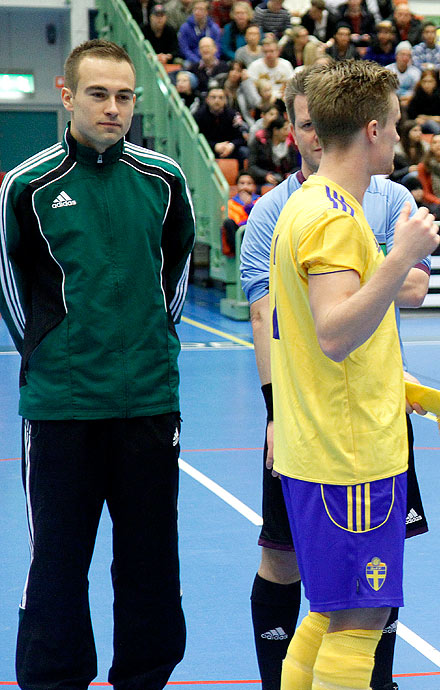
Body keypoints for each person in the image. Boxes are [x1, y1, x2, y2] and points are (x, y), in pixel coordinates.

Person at [0, 39, 194, 690]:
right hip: (61, 409)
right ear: (67, 95)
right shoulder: (27, 186)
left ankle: (145, 677)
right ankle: (55, 680)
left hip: (147, 404)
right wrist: (47, 350)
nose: (113, 108)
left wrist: (151, 340)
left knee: (150, 562)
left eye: (123, 96)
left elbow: (177, 272)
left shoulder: (164, 180)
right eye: (98, 94)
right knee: (57, 561)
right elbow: (9, 281)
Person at [239, 65, 434, 690]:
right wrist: (400, 254)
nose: (400, 140)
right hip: (348, 456)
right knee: (361, 619)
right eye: (397, 127)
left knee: (329, 610)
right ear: (373, 130)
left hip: (325, 442)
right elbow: (334, 330)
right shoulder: (332, 218)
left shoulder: (307, 204)